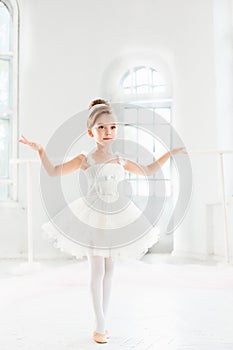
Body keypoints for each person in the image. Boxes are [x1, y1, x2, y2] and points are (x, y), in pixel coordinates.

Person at [18, 99, 186, 344]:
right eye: (101, 128)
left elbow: (148, 170)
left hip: (117, 215)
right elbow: (54, 172)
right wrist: (41, 151)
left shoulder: (119, 159)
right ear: (90, 132)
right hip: (93, 215)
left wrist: (168, 153)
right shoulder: (85, 158)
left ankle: (103, 321)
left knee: (109, 270)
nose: (108, 132)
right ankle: (99, 324)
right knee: (97, 269)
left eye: (112, 127)